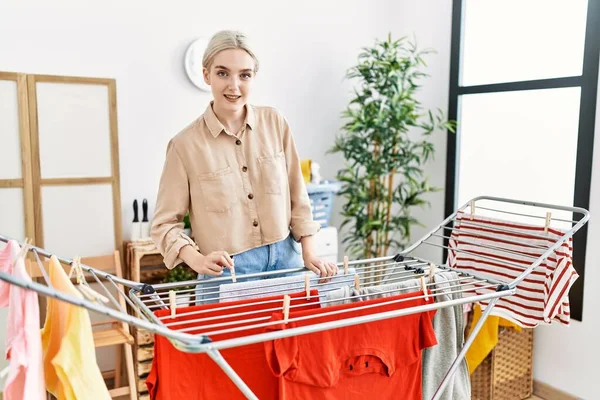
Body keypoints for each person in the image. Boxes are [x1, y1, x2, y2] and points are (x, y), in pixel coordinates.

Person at [151, 30, 338, 300]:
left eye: (244, 75)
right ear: (207, 75)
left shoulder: (276, 123)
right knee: (230, 344)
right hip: (228, 273)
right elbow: (164, 223)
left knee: (291, 342)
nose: (234, 86)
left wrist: (309, 253)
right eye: (223, 73)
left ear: (253, 77)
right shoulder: (184, 145)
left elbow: (298, 196)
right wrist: (197, 260)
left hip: (287, 263)